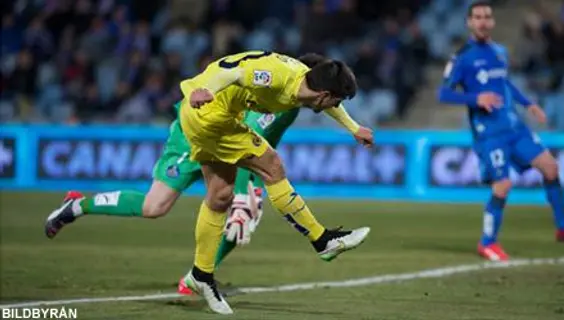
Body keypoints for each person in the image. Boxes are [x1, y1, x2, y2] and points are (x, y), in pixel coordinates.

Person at [43, 54, 352, 294]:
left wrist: (251, 192)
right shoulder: (282, 100)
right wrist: (247, 194)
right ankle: (77, 206)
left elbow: (257, 148)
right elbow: (247, 138)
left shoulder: (291, 102)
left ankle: (197, 277)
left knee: (239, 218)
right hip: (194, 135)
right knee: (156, 207)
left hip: (227, 142)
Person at [175, 51, 373, 314]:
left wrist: (353, 128)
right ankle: (322, 240)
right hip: (209, 113)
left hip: (206, 114)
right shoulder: (277, 77)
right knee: (273, 167)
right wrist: (204, 90)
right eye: (334, 101)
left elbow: (333, 104)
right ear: (324, 95)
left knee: (220, 195)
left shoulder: (305, 79)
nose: (333, 107)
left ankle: (200, 275)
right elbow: (233, 73)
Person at [438, 1, 564, 262]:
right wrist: (476, 99)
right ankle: (487, 242)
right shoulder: (462, 57)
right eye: (477, 17)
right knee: (503, 185)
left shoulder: (500, 52)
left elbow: (504, 83)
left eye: (487, 16)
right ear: (469, 22)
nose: (483, 21)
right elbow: (443, 93)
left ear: (493, 22)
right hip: (489, 133)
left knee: (551, 168)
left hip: (514, 126)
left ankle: (563, 228)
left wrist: (528, 103)